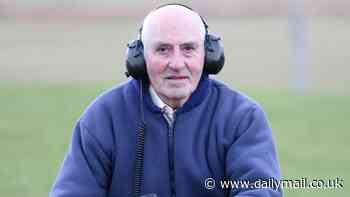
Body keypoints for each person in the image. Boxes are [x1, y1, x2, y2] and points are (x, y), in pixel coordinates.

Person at [50, 4, 282, 197]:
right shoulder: (102, 118)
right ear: (139, 57)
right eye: (163, 50)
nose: (177, 63)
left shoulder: (242, 117)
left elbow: (260, 189)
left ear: (209, 54)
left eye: (189, 48)